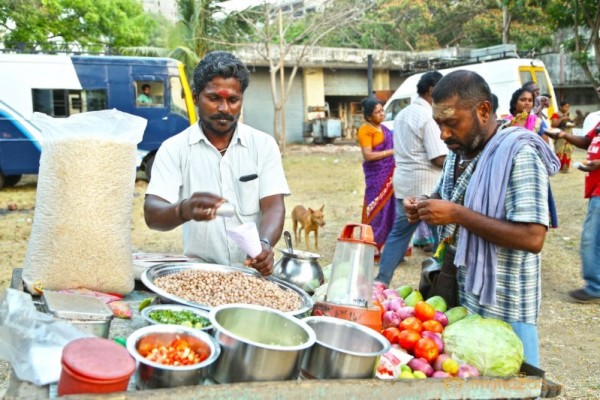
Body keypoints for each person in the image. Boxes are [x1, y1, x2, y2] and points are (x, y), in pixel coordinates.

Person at [406, 70, 560, 367]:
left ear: (484, 110)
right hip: (465, 296)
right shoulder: (458, 151)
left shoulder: (520, 154)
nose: (443, 134)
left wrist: (458, 215)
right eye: (438, 124)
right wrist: (423, 205)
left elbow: (532, 237)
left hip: (507, 302)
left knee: (515, 383)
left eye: (451, 123)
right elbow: (445, 199)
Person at [143, 51, 289, 276]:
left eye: (233, 100)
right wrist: (184, 209)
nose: (224, 108)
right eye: (214, 98)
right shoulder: (175, 149)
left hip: (254, 275)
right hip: (201, 275)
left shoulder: (263, 146)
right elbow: (153, 214)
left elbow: (273, 205)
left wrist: (265, 244)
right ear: (194, 97)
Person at [375, 71, 447, 285]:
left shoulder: (404, 113)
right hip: (427, 185)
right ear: (432, 91)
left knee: (399, 234)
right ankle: (442, 283)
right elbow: (437, 157)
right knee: (442, 238)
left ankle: (381, 280)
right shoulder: (427, 116)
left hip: (405, 182)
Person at [546, 121, 600, 303]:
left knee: (590, 238)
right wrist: (563, 135)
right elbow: (587, 141)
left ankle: (595, 287)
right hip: (595, 188)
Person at [356, 97, 395, 254]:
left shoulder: (385, 129)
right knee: (376, 208)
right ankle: (373, 245)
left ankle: (389, 246)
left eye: (382, 110)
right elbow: (368, 155)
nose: (381, 114)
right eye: (377, 112)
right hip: (376, 175)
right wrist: (391, 152)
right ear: (368, 116)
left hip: (391, 175)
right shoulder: (365, 130)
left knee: (391, 207)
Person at [551, 100, 574, 173]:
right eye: (565, 107)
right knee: (559, 151)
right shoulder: (556, 114)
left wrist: (572, 122)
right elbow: (554, 125)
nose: (566, 108)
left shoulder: (570, 114)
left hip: (568, 136)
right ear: (561, 107)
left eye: (568, 107)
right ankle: (558, 167)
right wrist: (561, 119)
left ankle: (565, 168)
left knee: (567, 152)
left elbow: (574, 123)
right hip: (559, 136)